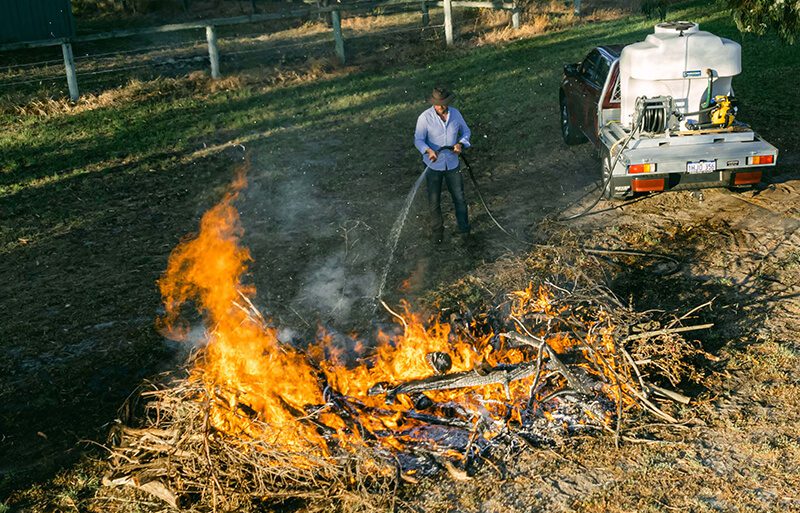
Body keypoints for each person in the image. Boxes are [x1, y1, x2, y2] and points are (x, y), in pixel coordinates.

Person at [414, 86, 472, 244]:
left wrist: (461, 143)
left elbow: (466, 132)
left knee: (459, 198)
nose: (441, 107)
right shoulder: (425, 118)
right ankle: (437, 233)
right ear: (433, 103)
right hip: (433, 166)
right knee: (434, 201)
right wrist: (427, 150)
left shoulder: (456, 114)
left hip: (452, 164)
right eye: (438, 104)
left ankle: (464, 230)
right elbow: (418, 139)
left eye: (444, 103)